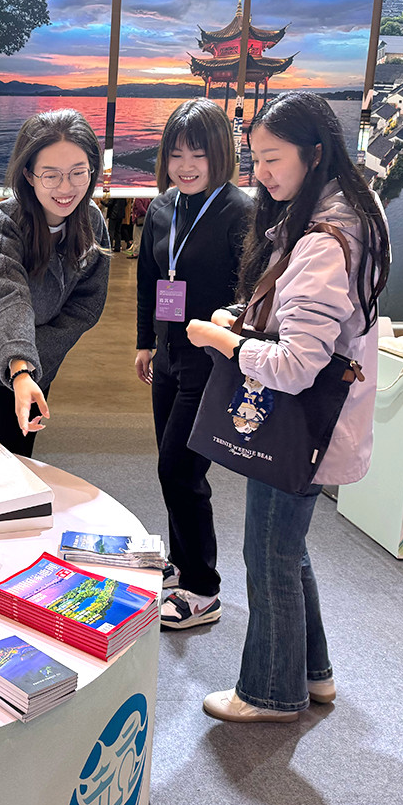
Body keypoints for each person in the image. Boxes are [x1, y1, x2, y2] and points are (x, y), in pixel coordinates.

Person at [186, 91, 390, 722]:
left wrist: (222, 340)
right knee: (287, 546)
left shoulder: (324, 239)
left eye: (274, 159)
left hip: (299, 426)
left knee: (269, 553)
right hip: (323, 424)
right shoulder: (352, 211)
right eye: (256, 159)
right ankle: (313, 671)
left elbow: (297, 366)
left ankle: (271, 693)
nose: (262, 174)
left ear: (315, 153)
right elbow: (306, 322)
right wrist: (246, 318)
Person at [134, 98, 253, 629]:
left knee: (181, 469)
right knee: (172, 464)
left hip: (210, 361)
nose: (185, 166)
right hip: (168, 356)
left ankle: (203, 588)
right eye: (176, 154)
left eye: (197, 155)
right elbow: (149, 277)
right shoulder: (163, 207)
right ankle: (181, 565)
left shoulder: (240, 212)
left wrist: (228, 327)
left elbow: (251, 292)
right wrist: (146, 342)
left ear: (220, 154)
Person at [0, 108, 110, 456]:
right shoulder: (4, 224)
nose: (66, 188)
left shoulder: (91, 222)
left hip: (40, 364)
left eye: (78, 173)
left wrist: (35, 359)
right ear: (29, 174)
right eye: (51, 175)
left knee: (21, 457)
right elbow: (7, 301)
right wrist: (20, 366)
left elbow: (86, 305)